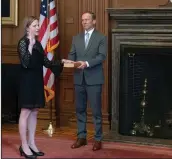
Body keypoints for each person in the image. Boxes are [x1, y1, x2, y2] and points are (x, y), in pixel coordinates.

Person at [17, 16, 64, 159]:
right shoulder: (23, 43)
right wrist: (30, 46)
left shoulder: (38, 44)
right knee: (25, 111)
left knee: (35, 111)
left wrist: (61, 62)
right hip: (26, 82)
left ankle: (32, 143)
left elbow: (46, 62)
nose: (38, 27)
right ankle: (24, 145)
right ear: (27, 28)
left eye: (38, 25)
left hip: (37, 81)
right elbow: (25, 63)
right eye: (35, 25)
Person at [66, 11, 107, 151]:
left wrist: (87, 63)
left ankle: (97, 139)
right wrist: (68, 61)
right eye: (82, 20)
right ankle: (81, 137)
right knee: (80, 110)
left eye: (87, 20)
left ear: (94, 21)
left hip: (94, 79)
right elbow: (72, 55)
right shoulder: (76, 38)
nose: (84, 22)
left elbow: (101, 56)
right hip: (79, 79)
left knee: (96, 111)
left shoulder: (101, 37)